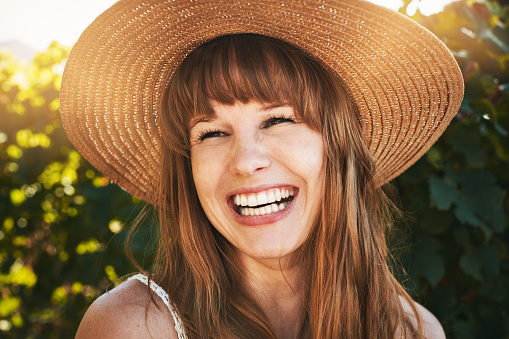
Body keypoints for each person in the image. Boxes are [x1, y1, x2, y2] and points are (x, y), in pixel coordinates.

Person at [60, 0, 464, 338]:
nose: (246, 160)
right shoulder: (134, 328)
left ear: (338, 146)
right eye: (212, 133)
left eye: (277, 121)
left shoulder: (414, 331)